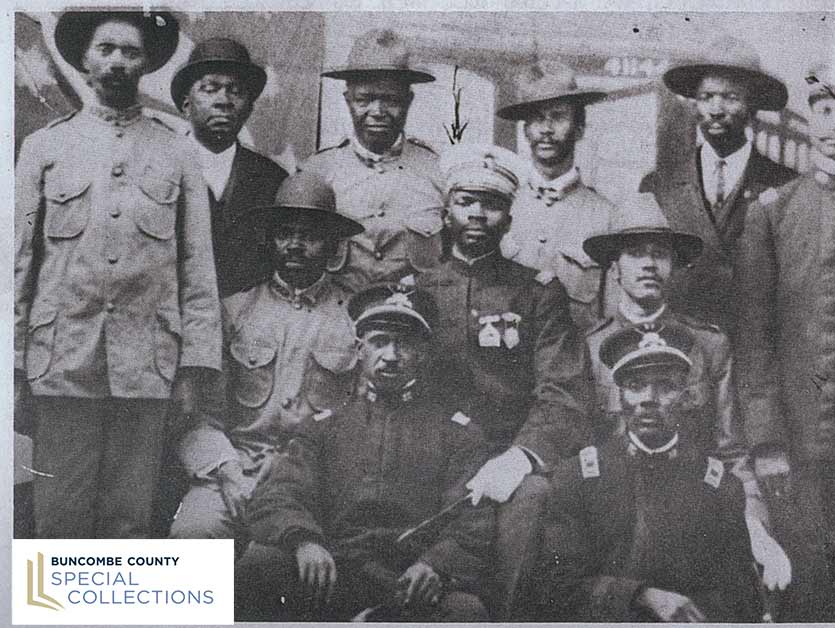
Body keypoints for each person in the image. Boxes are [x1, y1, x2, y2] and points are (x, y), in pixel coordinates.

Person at [14, 11, 220, 538]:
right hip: (62, 362)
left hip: (147, 367)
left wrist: (195, 366)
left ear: (147, 62)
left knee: (128, 521)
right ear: (83, 60)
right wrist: (12, 362)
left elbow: (197, 267)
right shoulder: (45, 148)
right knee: (59, 517)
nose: (117, 62)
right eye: (105, 49)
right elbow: (16, 264)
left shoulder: (177, 151)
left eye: (130, 52)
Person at [235, 282, 493, 621]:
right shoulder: (323, 426)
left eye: (404, 344)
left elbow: (472, 516)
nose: (391, 355)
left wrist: (435, 564)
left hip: (408, 580)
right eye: (379, 342)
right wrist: (304, 542)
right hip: (332, 571)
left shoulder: (458, 434)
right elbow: (281, 491)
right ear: (360, 351)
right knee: (260, 564)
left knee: (466, 613)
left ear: (423, 354)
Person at [734, 63, 835, 622]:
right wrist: (768, 442)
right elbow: (754, 339)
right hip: (793, 439)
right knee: (804, 582)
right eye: (823, 110)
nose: (833, 124)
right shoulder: (772, 211)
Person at [415, 144, 592, 617]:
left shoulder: (537, 292)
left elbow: (561, 391)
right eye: (465, 201)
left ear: (509, 218)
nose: (477, 214)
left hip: (507, 455)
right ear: (446, 211)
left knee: (533, 497)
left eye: (491, 205)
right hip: (432, 456)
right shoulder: (416, 291)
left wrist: (520, 456)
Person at [581, 193, 790, 590]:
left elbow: (732, 453)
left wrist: (756, 526)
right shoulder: (590, 348)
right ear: (615, 266)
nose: (648, 264)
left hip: (694, 509)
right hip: (615, 512)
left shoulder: (707, 344)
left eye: (659, 254)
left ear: (673, 265)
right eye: (635, 253)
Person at [169, 172, 363, 543]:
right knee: (193, 533)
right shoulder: (234, 311)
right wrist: (225, 471)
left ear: (332, 246)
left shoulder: (353, 318)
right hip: (237, 468)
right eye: (285, 233)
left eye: (310, 236)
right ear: (270, 239)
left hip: (317, 478)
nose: (295, 244)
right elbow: (199, 415)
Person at [536, 323, 768, 622]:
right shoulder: (579, 478)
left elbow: (739, 596)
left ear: (686, 397)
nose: (649, 399)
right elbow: (557, 586)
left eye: (666, 387)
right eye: (635, 386)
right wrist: (641, 596)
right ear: (620, 397)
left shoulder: (718, 486)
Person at [640, 36, 797, 334]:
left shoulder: (786, 184)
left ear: (752, 106)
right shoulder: (658, 184)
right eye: (706, 96)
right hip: (681, 340)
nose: (716, 108)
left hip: (753, 342)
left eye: (731, 97)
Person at [292, 28, 443, 293]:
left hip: (412, 319)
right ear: (348, 100)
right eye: (364, 99)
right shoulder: (316, 172)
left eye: (391, 100)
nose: (378, 112)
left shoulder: (438, 171)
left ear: (408, 101)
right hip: (336, 317)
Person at [495, 59, 614, 332]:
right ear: (526, 130)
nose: (546, 129)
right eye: (537, 118)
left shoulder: (606, 217)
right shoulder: (501, 205)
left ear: (580, 128)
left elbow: (608, 320)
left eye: (558, 116)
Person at [171, 37, 288, 298]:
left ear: (249, 108)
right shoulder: (158, 169)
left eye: (236, 91)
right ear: (186, 103)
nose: (224, 100)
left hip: (248, 325)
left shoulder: (273, 179)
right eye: (209, 89)